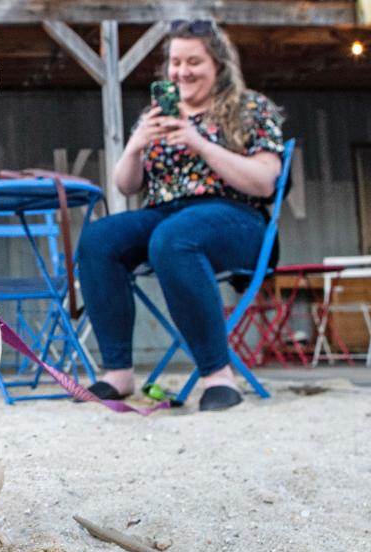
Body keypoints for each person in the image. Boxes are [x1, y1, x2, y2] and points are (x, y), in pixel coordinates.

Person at [76, 20, 285, 411]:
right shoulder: (156, 114)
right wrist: (136, 145)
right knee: (98, 238)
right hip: (164, 212)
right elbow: (126, 185)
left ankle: (217, 376)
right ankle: (117, 373)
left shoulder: (250, 107)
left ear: (218, 65)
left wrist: (199, 143)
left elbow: (264, 182)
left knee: (173, 238)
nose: (182, 71)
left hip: (235, 215)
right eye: (175, 62)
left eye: (194, 61)